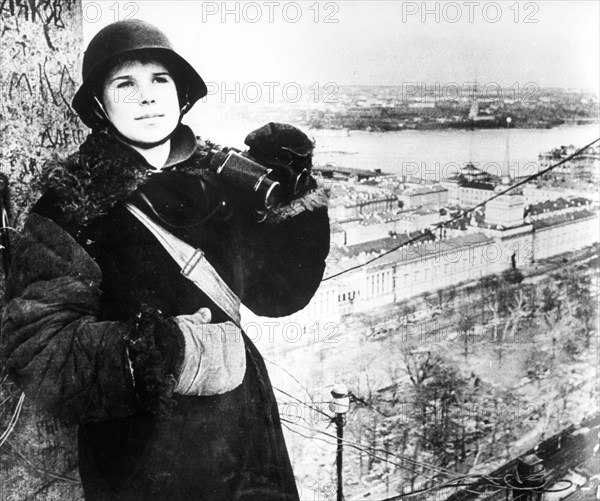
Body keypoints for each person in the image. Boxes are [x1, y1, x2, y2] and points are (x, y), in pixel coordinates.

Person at [0, 19, 329, 501]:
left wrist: (294, 199)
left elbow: (281, 295)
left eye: (160, 80)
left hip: (246, 429)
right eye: (124, 84)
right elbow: (42, 351)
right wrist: (159, 350)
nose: (148, 97)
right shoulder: (71, 207)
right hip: (146, 456)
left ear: (180, 92)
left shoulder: (219, 181)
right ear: (100, 104)